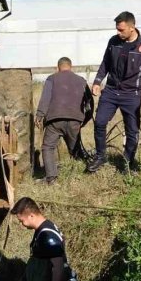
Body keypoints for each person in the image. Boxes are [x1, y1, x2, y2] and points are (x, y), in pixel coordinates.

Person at [87, 11, 141, 173]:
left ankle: (127, 162)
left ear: (132, 27)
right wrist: (98, 81)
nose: (118, 32)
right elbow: (105, 63)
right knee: (99, 122)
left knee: (132, 130)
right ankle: (100, 156)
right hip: (111, 90)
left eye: (121, 30)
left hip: (132, 94)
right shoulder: (113, 42)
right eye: (117, 29)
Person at [35, 57, 92, 185]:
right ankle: (78, 177)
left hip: (55, 120)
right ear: (71, 67)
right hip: (75, 120)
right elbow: (89, 103)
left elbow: (45, 98)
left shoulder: (52, 78)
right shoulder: (81, 80)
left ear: (58, 67)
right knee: (75, 149)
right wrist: (84, 120)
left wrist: (39, 115)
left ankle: (51, 178)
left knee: (48, 147)